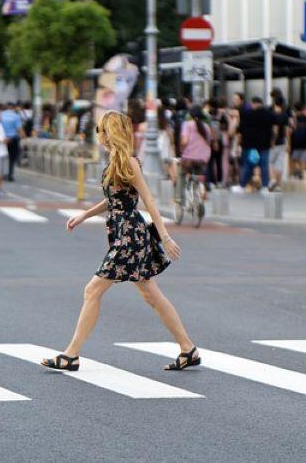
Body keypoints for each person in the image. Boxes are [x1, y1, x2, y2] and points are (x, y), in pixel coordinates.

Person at [41, 111, 199, 373]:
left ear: (109, 131)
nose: (97, 134)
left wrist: (165, 236)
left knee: (93, 290)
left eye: (100, 129)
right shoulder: (116, 161)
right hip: (123, 233)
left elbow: (148, 200)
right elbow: (113, 201)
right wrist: (84, 215)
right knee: (151, 295)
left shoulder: (129, 162)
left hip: (130, 237)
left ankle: (71, 355)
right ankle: (187, 348)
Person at [237, 97, 277, 194]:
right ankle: (265, 187)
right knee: (264, 166)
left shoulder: (247, 114)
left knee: (248, 165)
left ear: (253, 103)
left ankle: (242, 186)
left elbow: (241, 128)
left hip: (250, 145)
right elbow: (275, 127)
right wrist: (272, 140)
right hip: (264, 145)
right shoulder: (269, 114)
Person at [177, 105, 211, 203]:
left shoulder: (187, 124)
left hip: (189, 158)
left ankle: (179, 198)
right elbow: (209, 142)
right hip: (203, 158)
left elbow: (184, 141)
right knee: (200, 174)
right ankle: (202, 191)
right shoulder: (206, 127)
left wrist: (181, 150)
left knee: (182, 174)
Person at [270, 99, 291, 191]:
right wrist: (288, 143)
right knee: (279, 163)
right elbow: (287, 131)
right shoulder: (285, 116)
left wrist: (273, 141)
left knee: (270, 163)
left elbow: (275, 129)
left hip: (274, 143)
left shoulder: (273, 115)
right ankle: (278, 185)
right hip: (282, 142)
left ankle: (273, 180)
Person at [290, 102, 306, 178]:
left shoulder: (293, 119)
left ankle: (297, 173)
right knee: (304, 160)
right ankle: (302, 174)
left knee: (295, 159)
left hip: (295, 143)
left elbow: (290, 131)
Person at [0, 103, 23, 181]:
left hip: (3, 139)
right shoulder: (15, 116)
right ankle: (10, 174)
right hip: (13, 139)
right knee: (12, 158)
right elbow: (19, 129)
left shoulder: (1, 115)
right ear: (13, 108)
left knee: (3, 157)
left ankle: (2, 173)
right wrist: (23, 137)